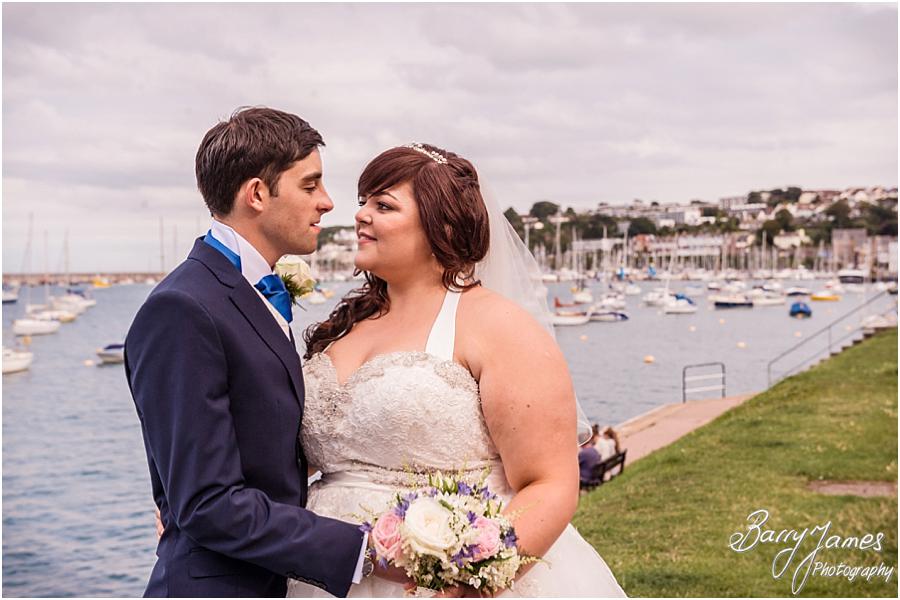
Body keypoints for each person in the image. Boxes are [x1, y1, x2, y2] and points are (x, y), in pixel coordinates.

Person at [288, 143, 625, 597]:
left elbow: (549, 483)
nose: (361, 215)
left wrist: (471, 581)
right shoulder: (343, 329)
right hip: (324, 575)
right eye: (363, 202)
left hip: (446, 581)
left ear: (440, 226)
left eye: (383, 205)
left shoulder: (499, 326)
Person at [125, 107, 372, 597]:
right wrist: (361, 547)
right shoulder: (183, 307)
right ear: (257, 194)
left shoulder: (247, 289)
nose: (327, 203)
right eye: (310, 185)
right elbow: (208, 503)